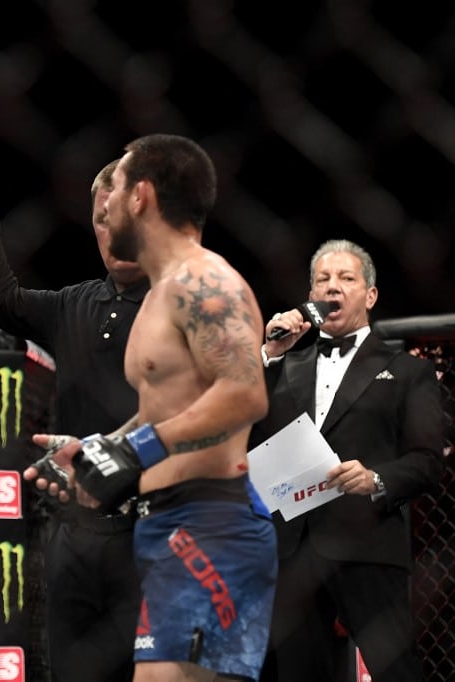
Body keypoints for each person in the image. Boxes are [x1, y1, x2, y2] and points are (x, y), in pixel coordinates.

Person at [32, 133, 277, 681]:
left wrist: (136, 450)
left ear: (140, 196)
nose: (105, 204)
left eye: (114, 188)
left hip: (210, 519)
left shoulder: (204, 282)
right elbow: (162, 412)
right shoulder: (161, 294)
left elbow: (245, 392)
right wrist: (101, 451)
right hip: (163, 519)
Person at [0, 158, 147, 681]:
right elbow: (1, 299)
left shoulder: (182, 306)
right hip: (77, 530)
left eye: (119, 216)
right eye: (100, 218)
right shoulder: (76, 303)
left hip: (154, 524)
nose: (110, 229)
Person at [255, 239, 445, 682]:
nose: (332, 287)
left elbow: (428, 462)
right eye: (322, 279)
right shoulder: (284, 366)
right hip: (295, 550)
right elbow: (238, 421)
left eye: (345, 278)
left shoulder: (406, 372)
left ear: (370, 295)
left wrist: (377, 477)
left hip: (369, 543)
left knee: (397, 670)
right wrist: (267, 354)